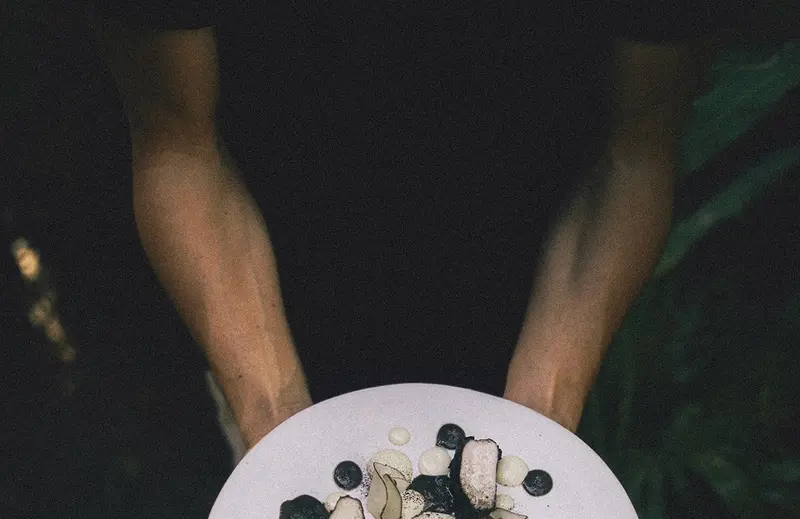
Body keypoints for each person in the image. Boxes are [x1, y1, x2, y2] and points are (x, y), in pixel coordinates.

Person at [92, 0, 712, 452]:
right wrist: (277, 428)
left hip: (528, 297)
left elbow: (636, 151)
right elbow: (178, 146)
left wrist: (538, 421)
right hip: (266, 307)